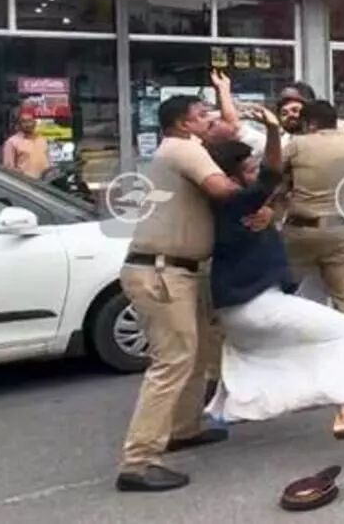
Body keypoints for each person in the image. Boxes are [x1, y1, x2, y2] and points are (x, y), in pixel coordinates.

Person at [201, 129, 344, 439]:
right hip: (255, 305)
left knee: (269, 354)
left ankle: (222, 407)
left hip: (242, 305)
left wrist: (270, 209)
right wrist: (273, 130)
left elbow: (271, 186)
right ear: (233, 180)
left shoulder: (237, 206)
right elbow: (271, 174)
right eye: (249, 170)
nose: (256, 173)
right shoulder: (237, 203)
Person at [215, 79, 344, 363]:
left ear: (309, 115)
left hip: (335, 226)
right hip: (299, 224)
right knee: (290, 288)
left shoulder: (340, 131)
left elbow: (278, 178)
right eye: (286, 111)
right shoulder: (273, 140)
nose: (292, 116)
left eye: (296, 109)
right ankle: (326, 351)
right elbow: (255, 155)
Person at [115, 95, 246, 493]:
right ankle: (138, 462)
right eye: (201, 115)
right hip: (162, 271)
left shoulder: (181, 147)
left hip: (176, 270)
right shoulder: (186, 150)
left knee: (200, 352)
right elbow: (221, 189)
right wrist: (256, 192)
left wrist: (227, 104)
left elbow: (233, 128)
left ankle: (183, 428)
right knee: (172, 361)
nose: (210, 120)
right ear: (184, 124)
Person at [281, 101, 344, 330]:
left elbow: (272, 173)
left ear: (310, 123)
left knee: (287, 294)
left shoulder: (298, 144)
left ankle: (294, 351)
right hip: (340, 229)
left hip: (301, 231)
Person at [1, 110, 50, 179]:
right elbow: (9, 169)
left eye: (30, 121)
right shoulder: (12, 142)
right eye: (24, 121)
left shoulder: (42, 140)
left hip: (45, 184)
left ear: (34, 123)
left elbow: (48, 161)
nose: (28, 124)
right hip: (25, 185)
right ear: (19, 124)